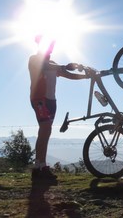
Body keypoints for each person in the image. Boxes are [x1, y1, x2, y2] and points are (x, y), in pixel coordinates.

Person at [28, 35, 87, 183]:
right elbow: (46, 67)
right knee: (45, 129)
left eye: (52, 47)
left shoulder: (53, 63)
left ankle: (40, 167)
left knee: (45, 132)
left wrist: (85, 76)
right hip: (39, 99)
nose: (50, 50)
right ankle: (39, 167)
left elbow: (68, 75)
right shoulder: (34, 59)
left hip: (51, 102)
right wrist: (63, 66)